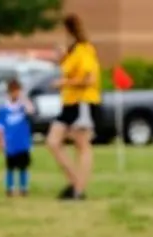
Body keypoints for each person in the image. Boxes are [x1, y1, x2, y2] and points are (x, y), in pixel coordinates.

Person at [47, 13, 101, 201]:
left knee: (82, 145)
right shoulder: (72, 52)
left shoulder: (84, 49)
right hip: (69, 103)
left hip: (83, 102)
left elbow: (90, 79)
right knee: (53, 142)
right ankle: (75, 182)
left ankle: (78, 190)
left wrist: (64, 83)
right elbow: (69, 68)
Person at [0, 79, 35, 197]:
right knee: (10, 167)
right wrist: (0, 141)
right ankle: (10, 187)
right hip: (10, 143)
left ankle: (24, 187)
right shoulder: (4, 109)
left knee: (23, 167)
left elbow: (31, 111)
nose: (15, 94)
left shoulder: (23, 107)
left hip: (23, 143)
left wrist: (23, 98)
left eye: (17, 91)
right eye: (13, 92)